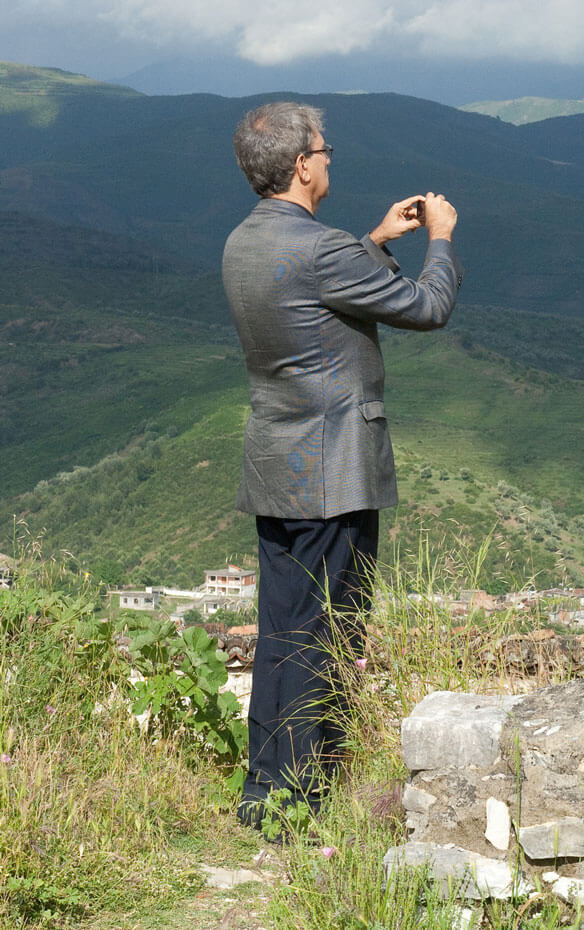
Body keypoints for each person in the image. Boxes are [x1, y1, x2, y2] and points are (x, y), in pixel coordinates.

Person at [223, 101, 464, 831]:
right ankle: (304, 797)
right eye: (325, 151)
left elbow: (309, 289)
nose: (330, 160)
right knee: (327, 634)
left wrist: (376, 239)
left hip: (275, 462)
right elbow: (427, 309)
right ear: (301, 165)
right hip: (334, 468)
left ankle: (265, 790)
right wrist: (440, 241)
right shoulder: (322, 250)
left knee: (281, 629)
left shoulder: (242, 241)